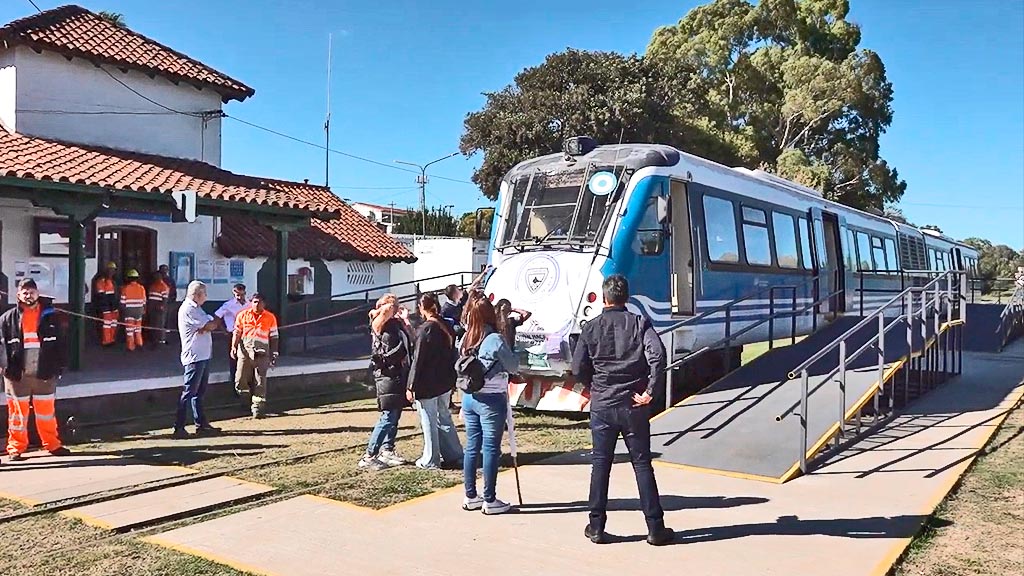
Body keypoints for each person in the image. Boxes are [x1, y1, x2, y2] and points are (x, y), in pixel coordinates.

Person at [571, 274, 673, 546]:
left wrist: (592, 385)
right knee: (642, 465)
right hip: (633, 404)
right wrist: (650, 391)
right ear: (626, 298)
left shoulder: (590, 327)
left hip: (603, 404)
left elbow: (577, 367)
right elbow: (658, 356)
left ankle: (596, 526)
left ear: (604, 298)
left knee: (600, 465)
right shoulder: (640, 324)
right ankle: (655, 528)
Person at [0, 279, 71, 461]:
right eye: (24, 292)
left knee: (46, 412)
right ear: (18, 295)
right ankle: (15, 448)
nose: (28, 295)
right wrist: (4, 368)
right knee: (17, 415)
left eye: (31, 291)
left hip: (45, 373)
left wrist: (60, 366)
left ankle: (52, 444)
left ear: (38, 293)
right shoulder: (7, 319)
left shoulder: (51, 316)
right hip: (17, 375)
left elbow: (62, 344)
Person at [460, 297, 518, 515]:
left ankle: (470, 495)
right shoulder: (494, 339)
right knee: (491, 449)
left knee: (472, 447)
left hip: (469, 397)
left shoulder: (466, 337)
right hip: (492, 398)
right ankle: (490, 499)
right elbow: (513, 365)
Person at [407, 293, 463, 470]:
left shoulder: (425, 329)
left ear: (421, 308)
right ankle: (454, 453)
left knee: (428, 419)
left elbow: (418, 360)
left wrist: (411, 386)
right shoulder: (445, 324)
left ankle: (431, 458)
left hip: (427, 382)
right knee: (444, 417)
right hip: (444, 379)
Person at [359, 296, 412, 470]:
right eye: (395, 306)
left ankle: (387, 449)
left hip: (394, 374)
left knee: (394, 414)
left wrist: (405, 320)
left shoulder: (391, 324)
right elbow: (396, 350)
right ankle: (369, 455)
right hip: (388, 376)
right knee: (388, 416)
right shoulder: (386, 326)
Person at [174, 281, 222, 439]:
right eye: (204, 294)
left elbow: (208, 324)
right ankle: (179, 426)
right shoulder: (189, 309)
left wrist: (208, 324)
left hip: (203, 354)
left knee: (199, 393)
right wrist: (209, 324)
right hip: (194, 355)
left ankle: (201, 424)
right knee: (189, 392)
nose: (206, 298)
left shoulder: (197, 308)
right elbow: (210, 325)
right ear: (197, 294)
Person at [231, 293, 279, 419]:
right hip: (245, 352)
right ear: (251, 302)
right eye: (255, 302)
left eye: (259, 302)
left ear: (264, 304)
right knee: (240, 379)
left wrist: (274, 353)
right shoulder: (242, 315)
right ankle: (244, 403)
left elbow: (274, 337)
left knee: (260, 381)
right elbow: (237, 332)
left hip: (262, 353)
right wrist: (233, 347)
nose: (257, 304)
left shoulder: (270, 317)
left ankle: (258, 408)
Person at [215, 284, 249, 395]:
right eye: (237, 295)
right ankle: (235, 387)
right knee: (234, 360)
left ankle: (246, 385)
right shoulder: (228, 305)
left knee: (247, 360)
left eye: (241, 294)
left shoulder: (249, 304)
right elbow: (217, 316)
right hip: (233, 334)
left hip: (247, 335)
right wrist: (223, 329)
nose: (240, 297)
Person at [90, 261, 118, 346]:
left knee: (113, 323)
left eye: (113, 270)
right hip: (106, 306)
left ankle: (112, 339)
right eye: (110, 270)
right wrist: (106, 305)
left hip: (113, 306)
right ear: (106, 270)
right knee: (107, 324)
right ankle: (106, 341)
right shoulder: (101, 281)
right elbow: (100, 295)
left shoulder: (113, 281)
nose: (111, 272)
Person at [120, 269, 146, 352]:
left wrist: (122, 312)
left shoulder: (125, 288)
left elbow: (122, 302)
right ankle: (139, 344)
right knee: (138, 329)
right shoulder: (141, 288)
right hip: (139, 311)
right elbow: (144, 301)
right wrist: (143, 310)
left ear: (128, 278)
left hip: (129, 311)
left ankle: (131, 347)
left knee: (129, 330)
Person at [146, 271, 171, 347]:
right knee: (153, 323)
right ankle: (154, 339)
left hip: (159, 308)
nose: (155, 278)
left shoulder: (164, 286)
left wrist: (162, 306)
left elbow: (165, 299)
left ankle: (161, 339)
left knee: (160, 323)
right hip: (152, 307)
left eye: (157, 276)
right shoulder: (153, 285)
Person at [158, 265, 177, 344]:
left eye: (165, 270)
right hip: (159, 301)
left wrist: (172, 299)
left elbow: (173, 290)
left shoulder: (170, 280)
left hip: (168, 301)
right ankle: (161, 335)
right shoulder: (158, 279)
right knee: (160, 319)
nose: (164, 271)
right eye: (162, 270)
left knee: (167, 317)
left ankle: (165, 334)